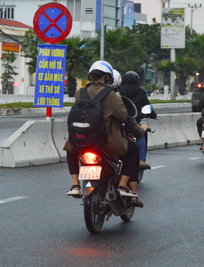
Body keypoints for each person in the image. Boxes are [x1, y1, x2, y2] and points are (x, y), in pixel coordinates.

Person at [63, 61, 148, 207]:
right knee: (133, 150)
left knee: (71, 148)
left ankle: (76, 184)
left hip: (82, 140)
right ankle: (122, 185)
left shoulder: (80, 92)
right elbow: (122, 116)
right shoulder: (110, 95)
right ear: (107, 78)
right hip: (107, 143)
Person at [119, 71, 156, 169]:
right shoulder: (140, 92)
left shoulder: (118, 91)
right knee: (141, 133)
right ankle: (141, 159)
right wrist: (153, 115)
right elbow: (147, 106)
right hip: (133, 123)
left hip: (118, 122)